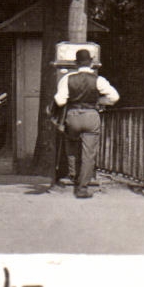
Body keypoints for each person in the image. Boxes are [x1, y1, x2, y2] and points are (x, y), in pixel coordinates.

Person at [52, 48, 120, 198]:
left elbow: (59, 100)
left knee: (71, 146)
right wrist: (100, 101)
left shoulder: (67, 79)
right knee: (89, 154)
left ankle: (73, 175)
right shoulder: (98, 80)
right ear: (90, 63)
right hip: (91, 116)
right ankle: (82, 188)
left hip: (73, 116)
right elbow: (114, 97)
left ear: (76, 63)